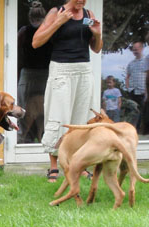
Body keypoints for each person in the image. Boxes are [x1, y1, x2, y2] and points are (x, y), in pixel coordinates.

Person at [32, 0, 102, 182]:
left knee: (81, 120)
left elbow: (96, 48)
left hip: (84, 71)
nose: (81, 1)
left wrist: (97, 34)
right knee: (59, 117)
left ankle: (79, 165)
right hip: (61, 71)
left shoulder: (88, 15)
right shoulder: (56, 12)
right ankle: (54, 167)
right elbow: (36, 42)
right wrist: (58, 22)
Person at [17, 1, 52, 143]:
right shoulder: (46, 30)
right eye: (35, 20)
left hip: (39, 74)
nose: (36, 23)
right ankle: (25, 140)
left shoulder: (25, 31)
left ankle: (24, 139)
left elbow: (16, 51)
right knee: (26, 110)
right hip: (36, 73)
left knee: (26, 110)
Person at [125, 41, 146, 129]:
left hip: (143, 91)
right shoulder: (131, 63)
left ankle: (137, 130)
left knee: (142, 112)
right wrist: (128, 88)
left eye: (136, 49)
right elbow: (127, 77)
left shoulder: (147, 61)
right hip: (133, 91)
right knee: (132, 112)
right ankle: (131, 129)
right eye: (133, 50)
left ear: (141, 49)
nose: (135, 51)